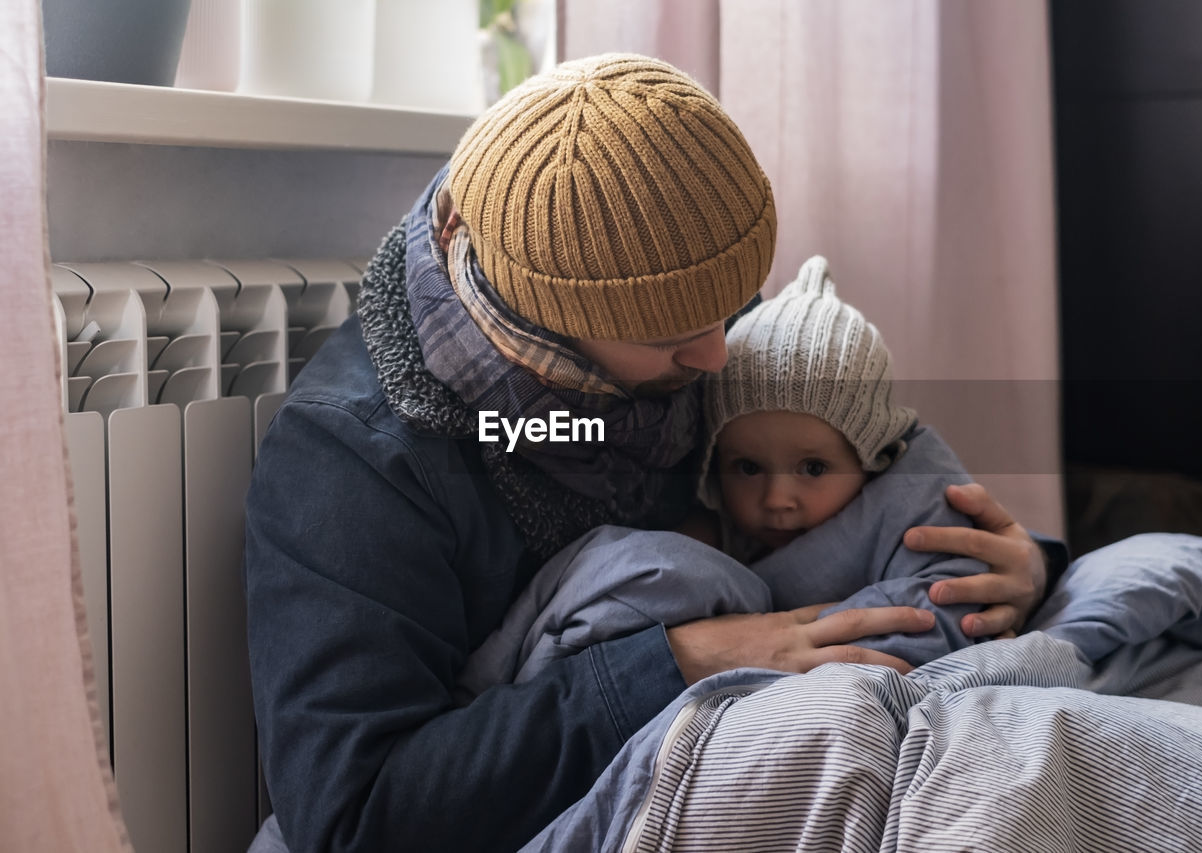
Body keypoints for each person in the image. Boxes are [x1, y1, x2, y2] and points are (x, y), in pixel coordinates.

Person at [244, 54, 1063, 853]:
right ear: (544, 325)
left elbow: (868, 463)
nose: (718, 354)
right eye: (670, 338)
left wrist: (1018, 564)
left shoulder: (681, 305)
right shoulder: (359, 464)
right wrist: (679, 659)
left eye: (734, 304)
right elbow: (356, 813)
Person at [452, 254, 993, 701]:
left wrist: (1029, 566)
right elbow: (651, 580)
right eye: (747, 467)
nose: (778, 499)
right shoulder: (708, 532)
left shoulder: (907, 505)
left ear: (873, 455)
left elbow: (952, 599)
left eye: (813, 468)